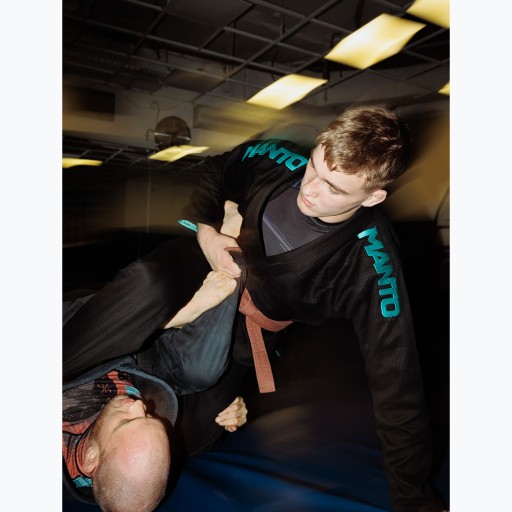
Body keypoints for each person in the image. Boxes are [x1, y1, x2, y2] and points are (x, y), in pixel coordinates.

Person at [178, 106, 449, 512]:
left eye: (334, 189)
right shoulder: (280, 159)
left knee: (187, 440)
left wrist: (414, 499)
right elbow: (218, 168)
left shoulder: (371, 264)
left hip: (240, 339)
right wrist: (205, 230)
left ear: (373, 197)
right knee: (136, 299)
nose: (310, 189)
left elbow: (398, 382)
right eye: (314, 168)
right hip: (194, 281)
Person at [63, 238, 249, 512]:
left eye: (126, 422)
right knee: (204, 371)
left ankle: (176, 312)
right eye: (151, 419)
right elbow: (218, 405)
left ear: (91, 457)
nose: (140, 406)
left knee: (148, 286)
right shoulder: (168, 448)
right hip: (146, 361)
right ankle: (233, 255)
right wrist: (235, 409)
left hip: (82, 340)